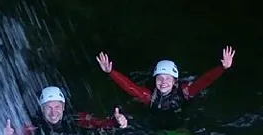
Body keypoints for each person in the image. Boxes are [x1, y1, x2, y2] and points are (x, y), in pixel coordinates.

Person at [4, 85, 126, 135]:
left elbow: (100, 123)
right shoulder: (34, 125)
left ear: (63, 107)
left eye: (57, 107)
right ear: (42, 109)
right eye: (48, 108)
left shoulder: (74, 118)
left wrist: (116, 122)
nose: (53, 112)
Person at [96, 47, 235, 114]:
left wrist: (222, 68)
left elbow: (205, 80)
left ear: (175, 81)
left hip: (180, 120)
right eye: (160, 78)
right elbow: (130, 88)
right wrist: (110, 72)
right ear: (155, 79)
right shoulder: (149, 96)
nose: (163, 82)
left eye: (168, 78)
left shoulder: (186, 91)